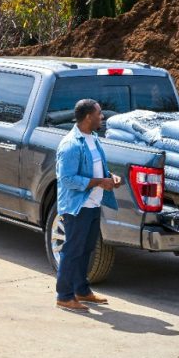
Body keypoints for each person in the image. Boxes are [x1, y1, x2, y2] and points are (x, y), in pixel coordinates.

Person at [55, 99, 122, 311]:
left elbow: (97, 168)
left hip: (93, 203)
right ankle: (64, 295)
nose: (102, 117)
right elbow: (67, 179)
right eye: (99, 113)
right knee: (72, 250)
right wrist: (99, 182)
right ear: (87, 117)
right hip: (78, 206)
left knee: (86, 249)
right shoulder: (70, 145)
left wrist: (111, 177)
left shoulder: (93, 139)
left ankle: (81, 291)